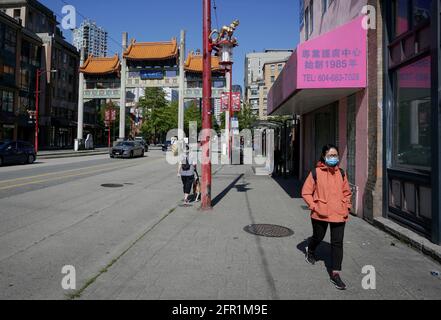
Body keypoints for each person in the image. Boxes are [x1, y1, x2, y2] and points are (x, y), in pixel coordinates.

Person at [301, 144, 352, 290]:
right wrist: (314, 206)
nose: (333, 158)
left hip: (339, 213)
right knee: (318, 237)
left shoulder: (341, 173)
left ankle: (335, 274)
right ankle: (310, 250)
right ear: (324, 156)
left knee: (337, 243)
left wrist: (346, 206)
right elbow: (306, 192)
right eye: (330, 155)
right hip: (320, 213)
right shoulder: (315, 173)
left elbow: (347, 192)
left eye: (335, 155)